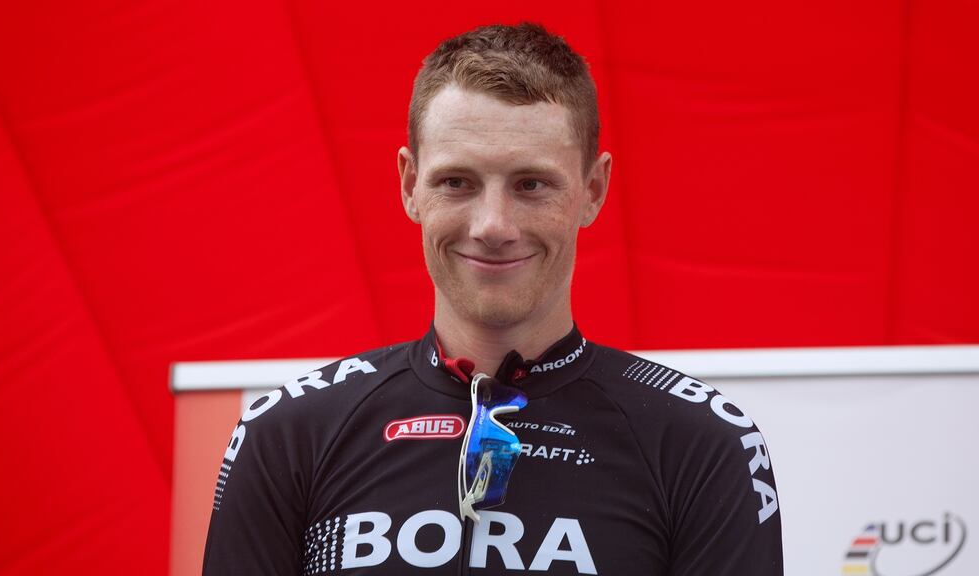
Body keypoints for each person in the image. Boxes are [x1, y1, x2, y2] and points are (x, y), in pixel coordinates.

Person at [203, 22, 782, 575]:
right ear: (410, 186)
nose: (493, 225)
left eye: (531, 184)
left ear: (593, 191)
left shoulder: (702, 444)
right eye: (457, 182)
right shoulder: (288, 433)